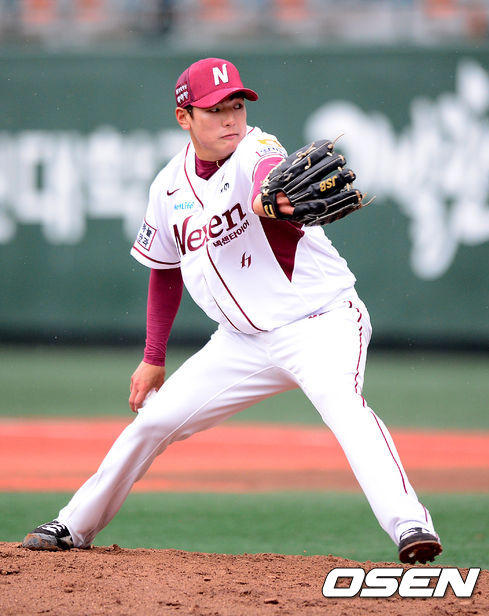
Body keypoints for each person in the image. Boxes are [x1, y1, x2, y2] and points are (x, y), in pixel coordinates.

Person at [22, 57, 442, 565]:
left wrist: (273, 198)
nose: (230, 120)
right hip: (241, 341)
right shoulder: (167, 187)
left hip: (320, 322)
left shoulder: (257, 149)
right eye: (215, 110)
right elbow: (165, 271)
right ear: (184, 117)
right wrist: (153, 356)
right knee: (154, 422)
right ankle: (74, 525)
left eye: (237, 106)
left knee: (344, 407)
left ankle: (410, 524)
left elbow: (268, 175)